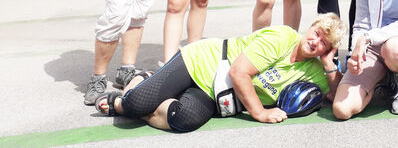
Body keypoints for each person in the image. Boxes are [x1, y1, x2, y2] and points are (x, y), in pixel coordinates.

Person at [94, 14, 345, 131]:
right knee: (136, 102)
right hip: (202, 62)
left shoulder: (314, 70)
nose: (315, 42)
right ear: (310, 27)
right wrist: (259, 112)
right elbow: (238, 73)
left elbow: (336, 96)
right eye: (317, 33)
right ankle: (135, 89)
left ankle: (151, 98)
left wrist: (329, 65)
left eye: (324, 43)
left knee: (183, 120)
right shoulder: (282, 37)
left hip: (217, 93)